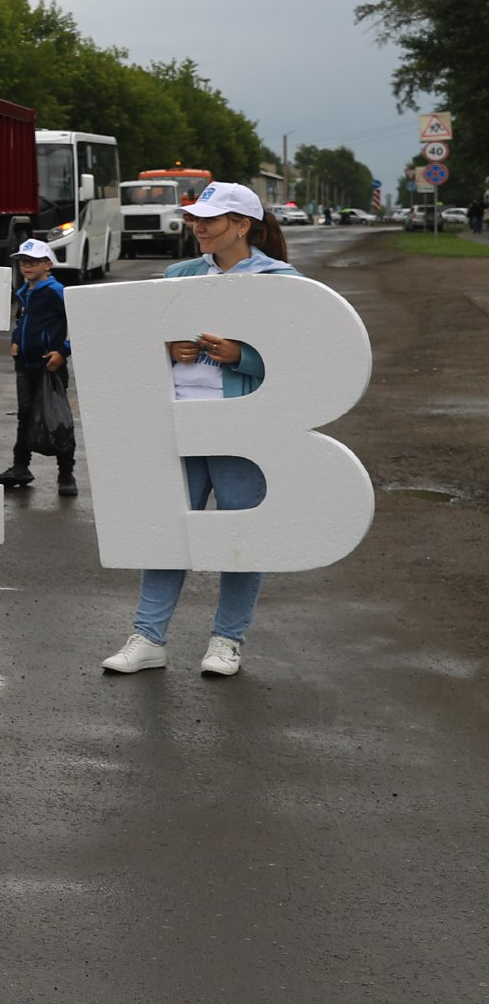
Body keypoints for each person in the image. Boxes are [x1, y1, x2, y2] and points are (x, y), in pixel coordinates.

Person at [101, 181, 297, 679]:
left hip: (241, 432)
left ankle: (227, 641)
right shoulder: (178, 274)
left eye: (210, 218)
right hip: (176, 425)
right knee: (165, 532)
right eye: (194, 217)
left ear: (242, 225)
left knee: (240, 536)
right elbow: (139, 344)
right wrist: (165, 351)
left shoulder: (281, 279)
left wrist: (242, 356)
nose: (198, 226)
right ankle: (147, 637)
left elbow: (301, 362)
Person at [0, 238, 76, 496]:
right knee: (25, 416)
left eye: (33, 262)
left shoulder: (56, 292)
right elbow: (23, 321)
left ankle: (66, 474)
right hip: (25, 365)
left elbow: (81, 323)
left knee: (58, 419)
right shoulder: (25, 292)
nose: (26, 266)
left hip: (49, 367)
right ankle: (21, 466)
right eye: (22, 262)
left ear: (48, 264)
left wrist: (63, 352)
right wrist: (15, 341)